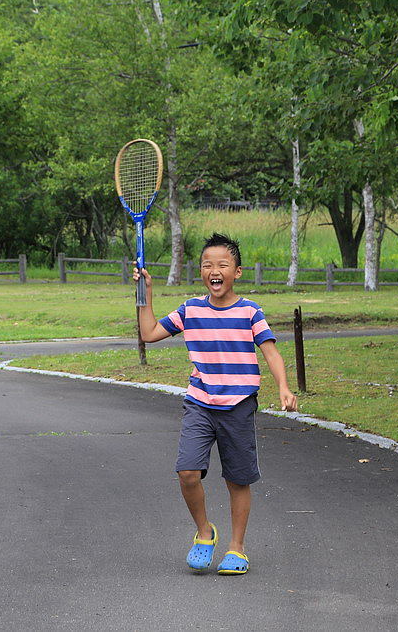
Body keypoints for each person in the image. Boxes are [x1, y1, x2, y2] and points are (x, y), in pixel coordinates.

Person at [133, 232, 297, 575]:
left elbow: (270, 351)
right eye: (208, 265)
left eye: (223, 264)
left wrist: (283, 387)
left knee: (238, 480)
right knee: (187, 472)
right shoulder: (190, 310)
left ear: (237, 272)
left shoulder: (250, 311)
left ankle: (237, 548)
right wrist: (145, 293)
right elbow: (148, 333)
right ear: (202, 273)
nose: (214, 270)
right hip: (200, 403)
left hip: (238, 404)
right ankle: (205, 533)